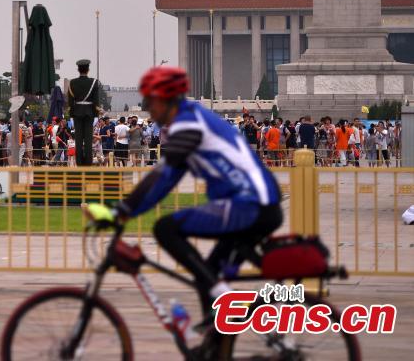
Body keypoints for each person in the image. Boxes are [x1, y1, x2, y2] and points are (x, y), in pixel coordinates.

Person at [87, 66, 281, 349]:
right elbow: (168, 178)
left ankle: (224, 300)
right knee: (206, 273)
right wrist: (127, 210)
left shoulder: (189, 123)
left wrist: (122, 212)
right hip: (254, 204)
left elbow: (163, 176)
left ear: (166, 99)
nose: (148, 108)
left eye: (150, 102)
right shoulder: (193, 119)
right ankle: (215, 343)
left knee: (166, 228)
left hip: (249, 204)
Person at [67, 59, 101, 166]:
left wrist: (71, 116)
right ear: (88, 69)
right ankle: (88, 164)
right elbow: (96, 102)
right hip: (89, 113)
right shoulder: (93, 82)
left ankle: (79, 164)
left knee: (78, 141)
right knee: (88, 141)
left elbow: (70, 103)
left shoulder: (72, 83)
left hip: (77, 113)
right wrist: (96, 115)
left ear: (78, 69)